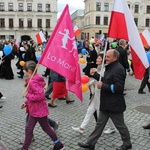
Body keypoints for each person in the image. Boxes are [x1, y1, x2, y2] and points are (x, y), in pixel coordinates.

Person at [78, 49, 132, 150]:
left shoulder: (118, 69)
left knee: (120, 126)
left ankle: (127, 143)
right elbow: (105, 80)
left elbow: (119, 88)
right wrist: (95, 75)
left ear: (114, 58)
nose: (105, 58)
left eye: (108, 57)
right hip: (106, 103)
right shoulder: (110, 67)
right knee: (99, 125)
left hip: (114, 104)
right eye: (106, 56)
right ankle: (90, 143)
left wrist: (103, 86)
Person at [21, 61, 64, 150]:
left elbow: (40, 96)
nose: (23, 71)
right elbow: (35, 95)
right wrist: (26, 103)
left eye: (24, 70)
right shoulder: (34, 79)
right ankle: (25, 148)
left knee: (46, 128)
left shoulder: (33, 82)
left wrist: (26, 95)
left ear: (29, 70)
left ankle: (59, 146)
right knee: (29, 129)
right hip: (35, 110)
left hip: (39, 111)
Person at [72, 54, 115, 134]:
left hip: (100, 95)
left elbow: (101, 80)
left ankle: (111, 128)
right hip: (95, 95)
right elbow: (96, 80)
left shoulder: (104, 69)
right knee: (89, 111)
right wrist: (89, 84)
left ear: (102, 60)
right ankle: (82, 128)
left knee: (102, 114)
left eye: (99, 58)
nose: (96, 59)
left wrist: (95, 74)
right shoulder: (99, 68)